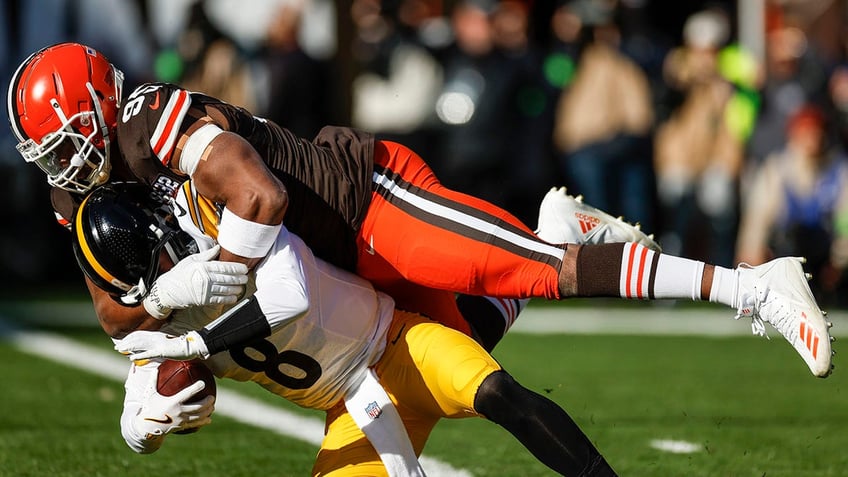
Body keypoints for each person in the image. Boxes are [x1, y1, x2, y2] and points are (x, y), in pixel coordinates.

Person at [8, 42, 834, 377]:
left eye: (62, 143)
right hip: (333, 260)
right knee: (460, 343)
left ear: (97, 110)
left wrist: (210, 286)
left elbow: (261, 199)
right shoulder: (81, 188)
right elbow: (115, 316)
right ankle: (559, 227)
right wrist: (158, 321)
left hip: (367, 202)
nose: (58, 167)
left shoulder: (164, 122)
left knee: (546, 274)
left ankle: (757, 285)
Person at [73, 181, 618, 476]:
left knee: (497, 392)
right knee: (479, 338)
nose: (168, 266)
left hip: (394, 344)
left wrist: (197, 342)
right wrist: (151, 424)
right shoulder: (150, 321)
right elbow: (138, 411)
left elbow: (291, 295)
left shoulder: (230, 223)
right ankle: (555, 230)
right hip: (351, 409)